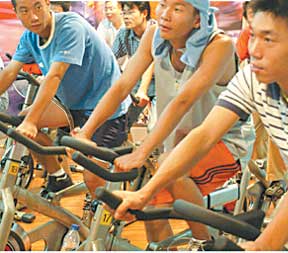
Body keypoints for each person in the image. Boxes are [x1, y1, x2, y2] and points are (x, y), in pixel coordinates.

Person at [110, 0, 288, 250]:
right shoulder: (254, 77)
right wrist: (144, 193)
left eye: (268, 40)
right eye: (253, 36)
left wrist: (261, 246)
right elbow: (204, 135)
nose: (254, 50)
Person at [74, 0, 254, 247]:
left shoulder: (219, 46)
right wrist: (85, 132)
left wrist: (142, 151)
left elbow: (184, 100)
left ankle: (206, 244)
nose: (166, 15)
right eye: (163, 5)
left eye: (178, 8)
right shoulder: (154, 34)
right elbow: (122, 86)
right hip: (175, 142)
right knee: (149, 211)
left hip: (224, 141)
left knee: (173, 172)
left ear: (198, 18)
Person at [0, 0, 130, 196]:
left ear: (47, 4)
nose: (33, 16)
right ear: (17, 13)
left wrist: (33, 122)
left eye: (37, 7)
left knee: (92, 178)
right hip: (72, 104)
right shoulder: (29, 37)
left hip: (104, 105)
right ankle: (59, 176)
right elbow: (10, 71)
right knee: (21, 124)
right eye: (24, 10)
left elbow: (55, 75)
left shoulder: (70, 26)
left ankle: (110, 218)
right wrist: (29, 122)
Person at [112, 1, 156, 129]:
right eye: (123, 13)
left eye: (130, 13)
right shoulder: (124, 33)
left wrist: (143, 89)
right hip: (137, 83)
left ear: (144, 13)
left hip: (161, 82)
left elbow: (150, 61)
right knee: (123, 123)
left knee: (154, 127)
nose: (126, 17)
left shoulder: (156, 31)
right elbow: (112, 59)